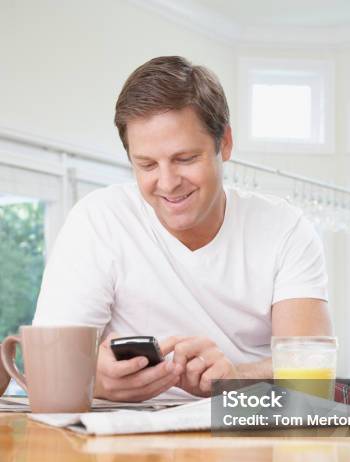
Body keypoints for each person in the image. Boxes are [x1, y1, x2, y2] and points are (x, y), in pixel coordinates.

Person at [33, 56, 332, 401]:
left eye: (185, 159)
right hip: (125, 438)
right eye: (146, 164)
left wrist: (235, 377)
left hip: (244, 422)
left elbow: (314, 373)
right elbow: (49, 369)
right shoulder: (98, 219)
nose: (167, 182)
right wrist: (97, 380)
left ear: (225, 144)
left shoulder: (285, 229)